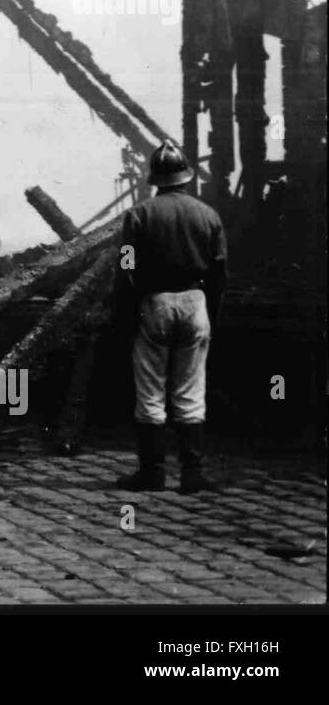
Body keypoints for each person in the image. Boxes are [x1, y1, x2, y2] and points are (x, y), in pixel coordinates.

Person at [113, 141, 227, 494]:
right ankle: (192, 474)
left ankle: (152, 474)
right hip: (196, 301)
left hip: (156, 302)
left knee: (150, 392)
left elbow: (126, 267)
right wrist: (213, 312)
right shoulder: (208, 215)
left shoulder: (139, 215)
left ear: (155, 179)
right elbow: (220, 271)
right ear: (186, 176)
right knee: (191, 390)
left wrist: (128, 312)